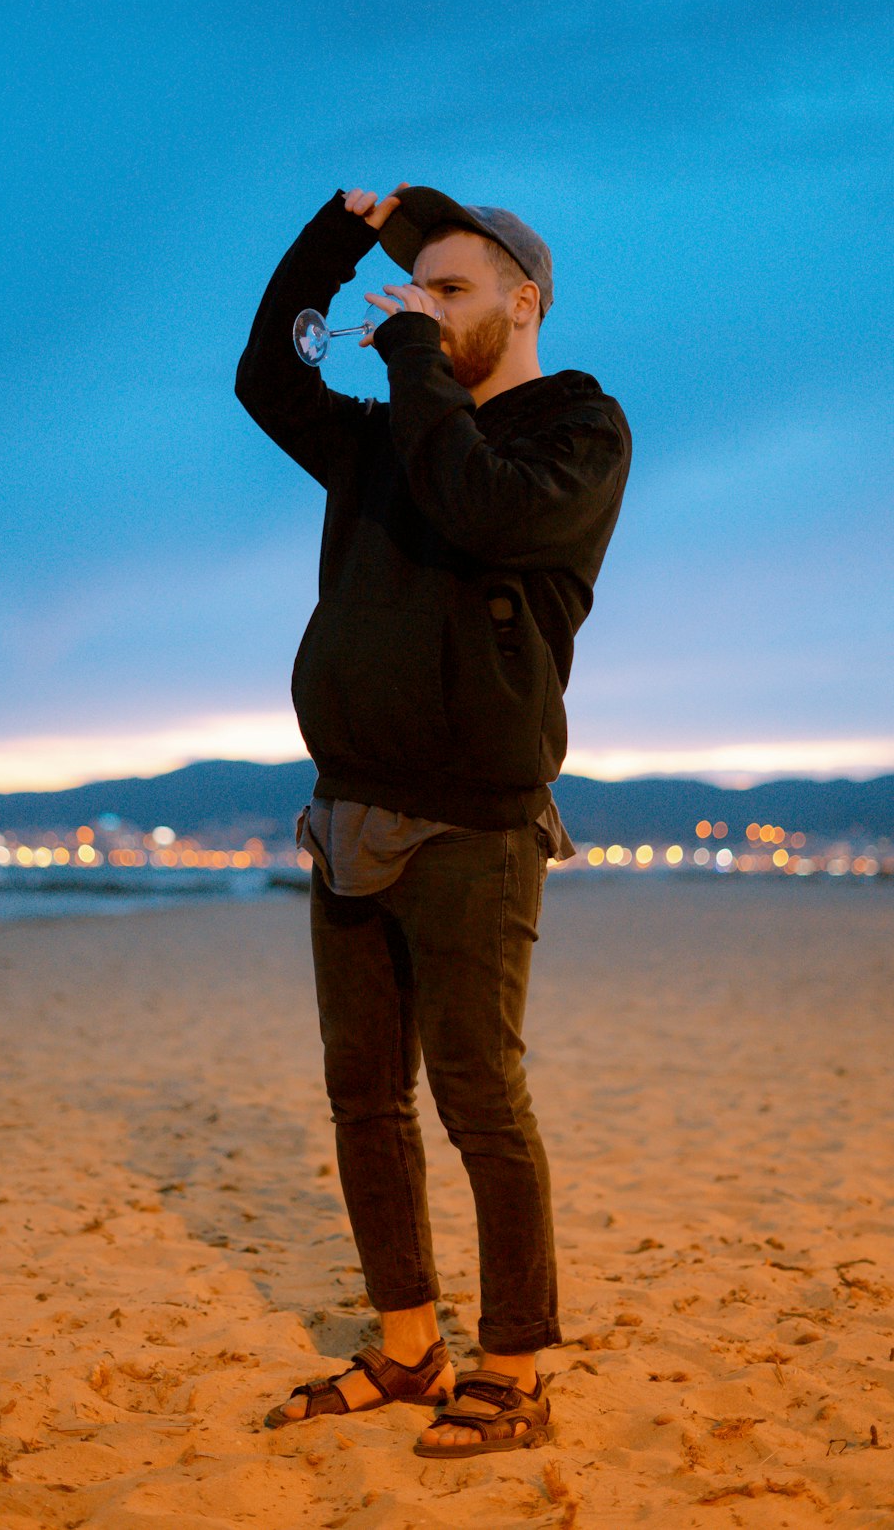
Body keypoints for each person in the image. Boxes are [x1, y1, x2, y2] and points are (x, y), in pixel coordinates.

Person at [234, 182, 631, 1457]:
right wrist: (332, 239)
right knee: (365, 1098)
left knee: (478, 1099)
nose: (418, 306)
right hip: (350, 810)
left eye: (450, 289)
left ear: (524, 303)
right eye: (414, 289)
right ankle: (409, 1348)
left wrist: (411, 355)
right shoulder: (385, 436)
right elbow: (265, 380)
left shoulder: (579, 428)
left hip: (475, 824)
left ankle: (513, 1362)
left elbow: (480, 507)